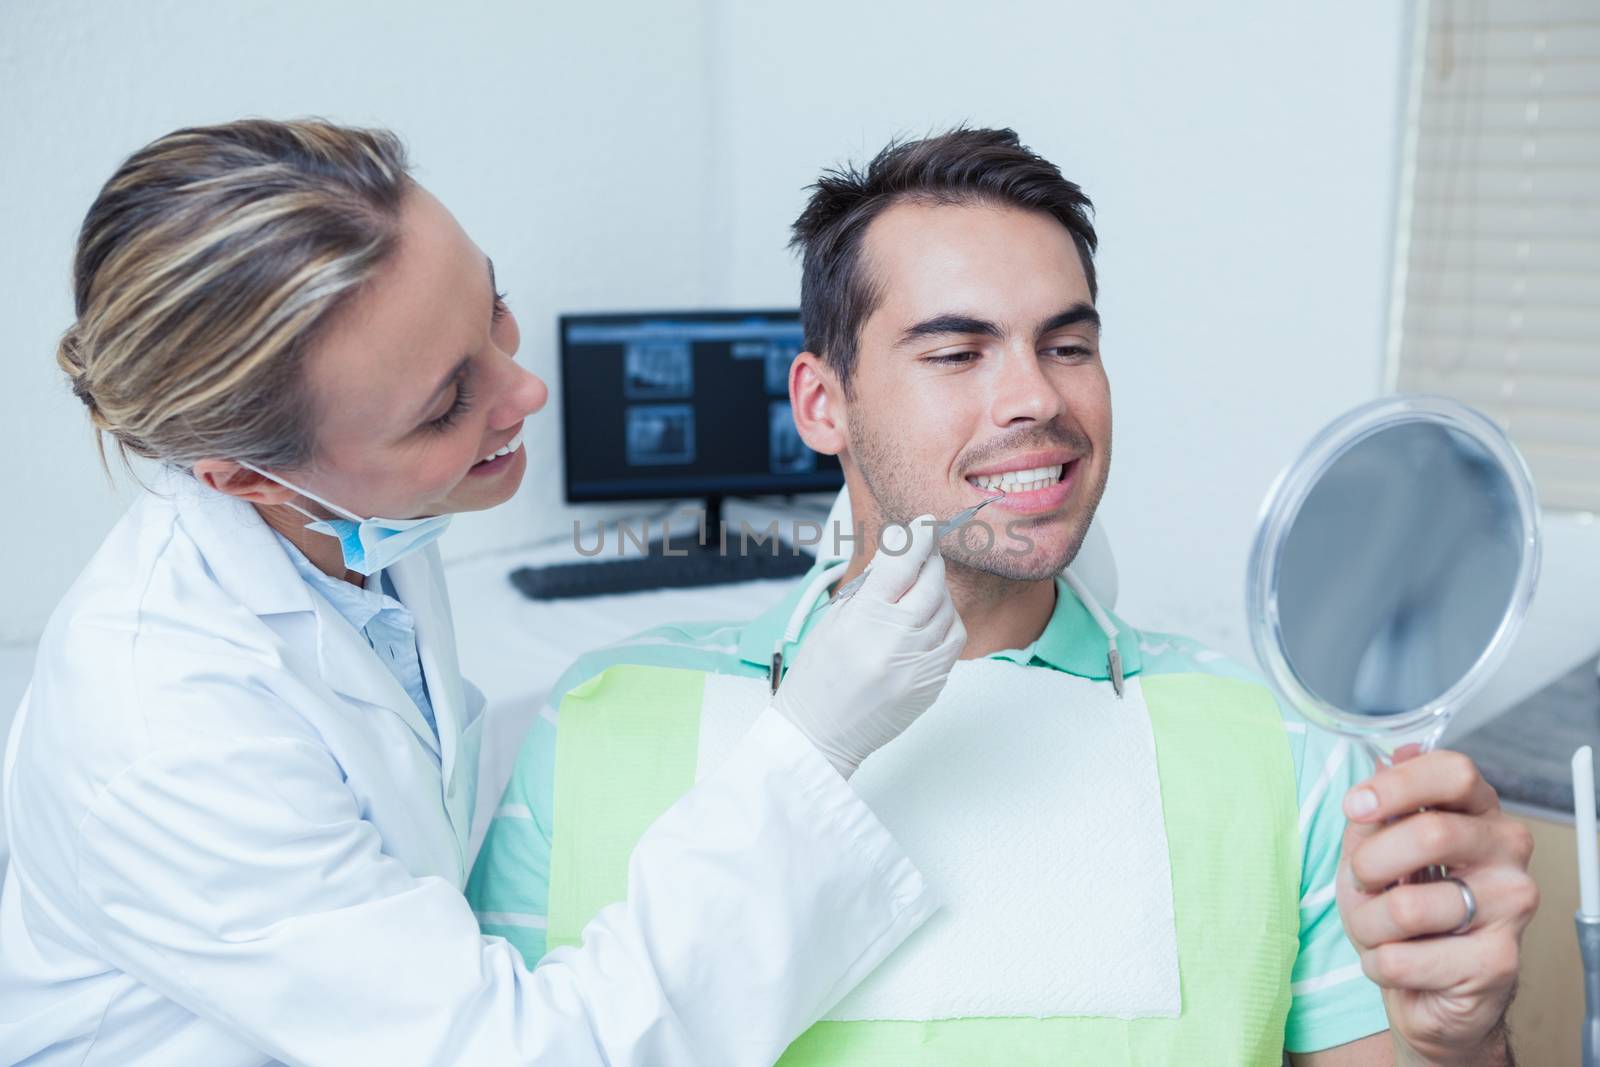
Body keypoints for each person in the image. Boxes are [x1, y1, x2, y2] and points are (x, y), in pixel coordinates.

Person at [469, 128, 1538, 1066]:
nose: (1036, 396)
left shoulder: (1280, 751)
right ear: (820, 403)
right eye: (956, 350)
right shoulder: (606, 716)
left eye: (1067, 344)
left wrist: (1457, 1039)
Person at [0, 119, 968, 1067]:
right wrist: (812, 746)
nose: (525, 390)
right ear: (244, 477)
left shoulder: (349, 534)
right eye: (445, 403)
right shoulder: (165, 731)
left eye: (493, 309)